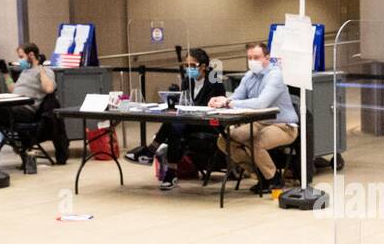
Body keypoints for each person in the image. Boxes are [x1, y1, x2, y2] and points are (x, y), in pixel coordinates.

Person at [126, 48, 228, 189]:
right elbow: (184, 102)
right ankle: (170, 173)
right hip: (188, 121)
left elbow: (211, 105)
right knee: (174, 126)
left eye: (193, 66)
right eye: (186, 65)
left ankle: (152, 152)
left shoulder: (214, 81)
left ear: (203, 66)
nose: (189, 69)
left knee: (174, 124)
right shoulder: (187, 82)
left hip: (207, 124)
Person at [211, 42, 298, 194]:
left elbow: (261, 103)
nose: (252, 61)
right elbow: (236, 97)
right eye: (249, 58)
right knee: (224, 139)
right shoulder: (249, 76)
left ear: (267, 58)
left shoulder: (276, 75)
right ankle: (259, 172)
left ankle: (273, 178)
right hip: (259, 123)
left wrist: (230, 102)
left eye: (256, 57)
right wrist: (221, 100)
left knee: (255, 142)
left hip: (283, 125)